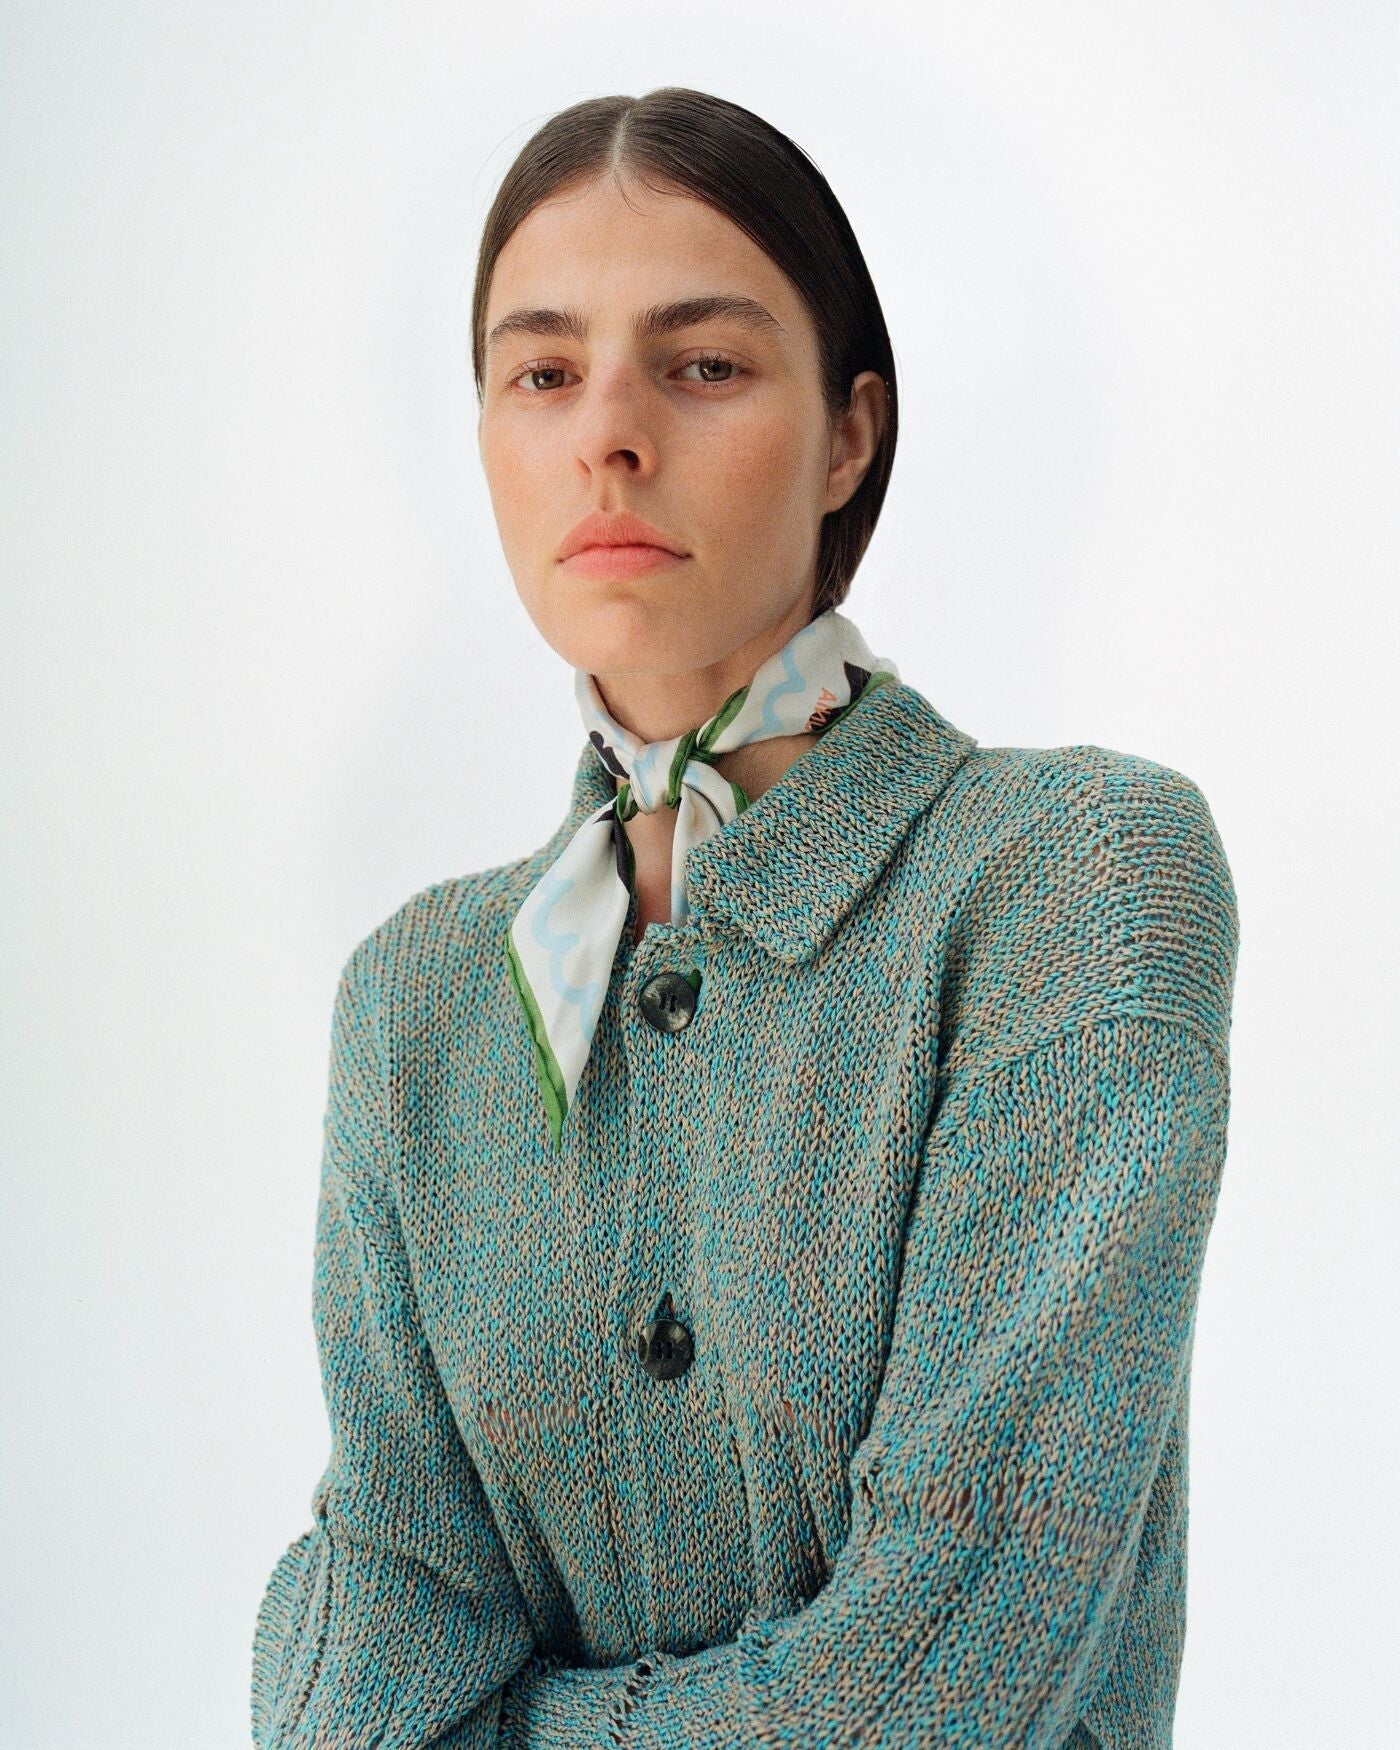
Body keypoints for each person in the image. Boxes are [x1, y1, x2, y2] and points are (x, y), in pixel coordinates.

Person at [251, 87, 1239, 1750]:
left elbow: (951, 1669)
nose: (609, 435)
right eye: (542, 373)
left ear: (851, 435)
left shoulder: (1075, 879)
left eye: (702, 364)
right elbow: (375, 1631)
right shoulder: (418, 995)